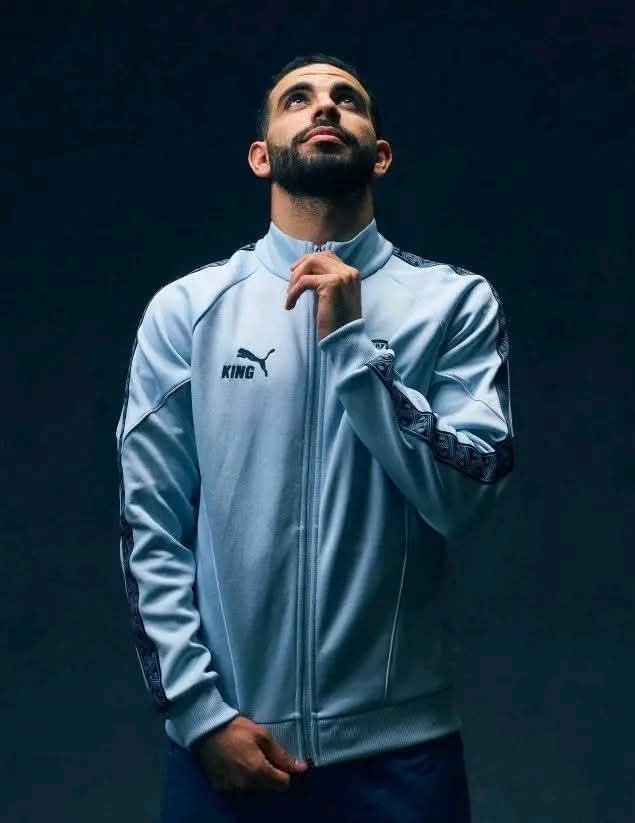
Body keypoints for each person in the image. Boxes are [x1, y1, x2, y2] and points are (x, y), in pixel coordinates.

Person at [115, 53, 515, 822]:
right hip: (228, 749)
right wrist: (200, 715)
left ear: (381, 154)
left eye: (346, 100)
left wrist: (353, 350)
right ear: (261, 155)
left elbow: (467, 496)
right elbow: (150, 528)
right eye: (297, 99)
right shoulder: (188, 309)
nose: (324, 108)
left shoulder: (454, 303)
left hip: (401, 761)